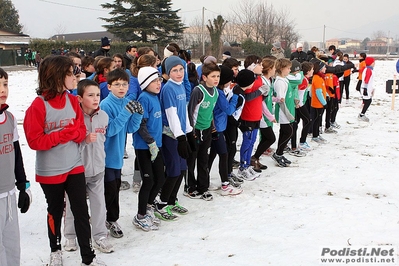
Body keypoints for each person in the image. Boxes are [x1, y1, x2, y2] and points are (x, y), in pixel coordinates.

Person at [23, 55, 105, 266]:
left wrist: (72, 134)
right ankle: (55, 249)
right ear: (56, 76)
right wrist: (63, 134)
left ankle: (88, 257)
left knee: (80, 210)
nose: (74, 76)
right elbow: (34, 141)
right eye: (69, 73)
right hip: (50, 171)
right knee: (55, 211)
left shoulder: (71, 100)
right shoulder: (38, 106)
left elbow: (79, 130)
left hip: (74, 165)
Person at [63, 79, 114, 254]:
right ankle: (70, 235)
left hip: (98, 168)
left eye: (98, 95)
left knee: (99, 204)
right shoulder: (73, 118)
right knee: (72, 204)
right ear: (79, 98)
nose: (95, 99)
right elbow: (69, 144)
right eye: (90, 95)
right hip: (76, 170)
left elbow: (103, 141)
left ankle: (100, 235)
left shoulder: (104, 116)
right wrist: (84, 141)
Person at [100, 68, 143, 238]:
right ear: (109, 87)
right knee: (108, 189)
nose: (121, 87)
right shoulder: (105, 104)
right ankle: (106, 219)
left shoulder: (125, 102)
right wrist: (126, 112)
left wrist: (138, 114)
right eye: (117, 84)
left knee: (115, 187)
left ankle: (111, 218)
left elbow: (130, 128)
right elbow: (109, 130)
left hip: (117, 155)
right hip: (105, 156)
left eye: (124, 84)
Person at [154, 56, 195, 220]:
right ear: (168, 72)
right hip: (170, 135)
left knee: (182, 168)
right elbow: (171, 114)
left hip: (180, 133)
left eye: (181, 69)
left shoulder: (181, 86)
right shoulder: (168, 88)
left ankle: (172, 200)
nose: (179, 73)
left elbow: (183, 111)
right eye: (174, 70)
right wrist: (181, 138)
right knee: (173, 171)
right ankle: (162, 204)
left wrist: (189, 131)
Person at [0, 68, 32, 266]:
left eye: (4, 84)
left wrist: (23, 187)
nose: (3, 89)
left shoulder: (10, 118)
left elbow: (16, 153)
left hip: (9, 193)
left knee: (12, 244)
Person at [132, 67, 165, 231]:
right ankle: (140, 215)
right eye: (154, 81)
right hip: (144, 146)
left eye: (159, 80)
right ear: (145, 84)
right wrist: (150, 142)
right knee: (149, 180)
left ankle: (149, 206)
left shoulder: (155, 96)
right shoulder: (144, 98)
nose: (158, 83)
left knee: (160, 178)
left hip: (156, 145)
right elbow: (140, 125)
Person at [186, 62, 220, 201]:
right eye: (213, 76)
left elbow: (210, 111)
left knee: (203, 159)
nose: (216, 79)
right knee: (192, 159)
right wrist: (191, 131)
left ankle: (203, 187)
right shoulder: (198, 91)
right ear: (204, 77)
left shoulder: (216, 91)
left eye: (218, 76)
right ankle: (190, 186)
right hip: (195, 131)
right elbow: (190, 111)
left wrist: (212, 127)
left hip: (206, 130)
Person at [207, 65, 243, 195]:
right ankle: (225, 185)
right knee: (223, 155)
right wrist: (235, 98)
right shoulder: (219, 93)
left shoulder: (218, 91)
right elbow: (228, 110)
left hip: (218, 127)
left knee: (212, 155)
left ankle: (205, 181)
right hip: (217, 128)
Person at [237, 55, 267, 178]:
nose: (262, 66)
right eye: (259, 64)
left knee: (253, 141)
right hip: (248, 115)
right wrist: (259, 91)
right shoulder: (248, 79)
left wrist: (264, 93)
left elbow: (259, 97)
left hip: (257, 114)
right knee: (247, 141)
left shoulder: (259, 78)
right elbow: (247, 97)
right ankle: (242, 166)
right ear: (252, 66)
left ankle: (248, 165)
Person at [250, 57, 277, 170]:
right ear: (270, 69)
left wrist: (277, 99)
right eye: (274, 67)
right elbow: (261, 102)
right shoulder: (263, 81)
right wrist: (270, 116)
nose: (276, 69)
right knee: (270, 138)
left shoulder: (268, 80)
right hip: (262, 116)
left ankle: (255, 158)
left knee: (267, 138)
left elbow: (268, 98)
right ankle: (254, 157)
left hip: (266, 114)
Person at [272, 58, 295, 167]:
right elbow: (281, 100)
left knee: (285, 132)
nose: (289, 70)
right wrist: (287, 114)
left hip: (288, 109)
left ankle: (279, 153)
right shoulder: (279, 82)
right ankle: (278, 153)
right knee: (289, 132)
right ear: (281, 68)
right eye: (288, 68)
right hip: (283, 111)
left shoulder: (284, 79)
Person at [296, 61, 313, 150]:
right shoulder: (304, 80)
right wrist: (300, 104)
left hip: (299, 104)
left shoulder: (304, 79)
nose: (313, 71)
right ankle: (302, 142)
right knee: (308, 121)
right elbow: (299, 94)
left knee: (296, 123)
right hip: (299, 104)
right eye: (312, 69)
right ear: (308, 71)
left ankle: (295, 142)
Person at [310, 59, 328, 144]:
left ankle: (316, 134)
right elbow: (318, 92)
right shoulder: (317, 78)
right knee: (316, 120)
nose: (326, 69)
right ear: (320, 69)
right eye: (324, 67)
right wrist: (324, 103)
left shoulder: (320, 77)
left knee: (318, 119)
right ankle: (315, 136)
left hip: (319, 103)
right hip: (317, 104)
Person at [358, 57, 375, 122]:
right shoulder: (368, 70)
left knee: (368, 101)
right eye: (373, 62)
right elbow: (366, 80)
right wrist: (365, 89)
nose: (374, 64)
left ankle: (362, 114)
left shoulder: (368, 69)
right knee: (368, 101)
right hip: (366, 88)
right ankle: (362, 114)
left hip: (368, 88)